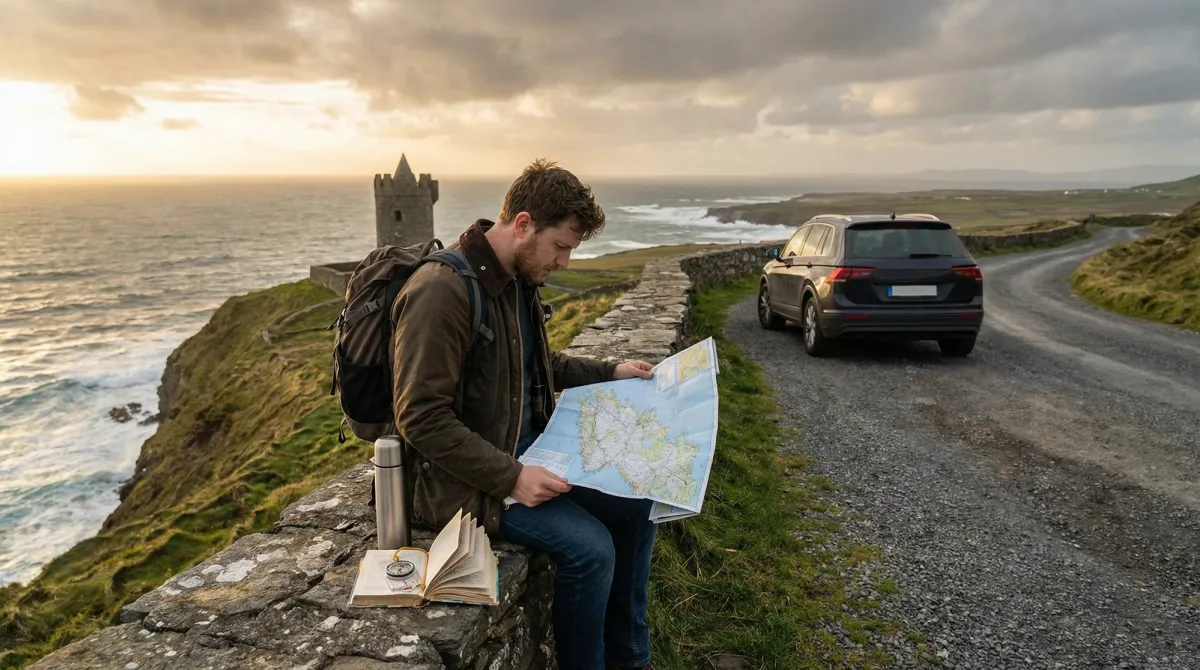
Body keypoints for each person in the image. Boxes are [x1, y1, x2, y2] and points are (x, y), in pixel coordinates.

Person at [390, 158, 658, 670]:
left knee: (639, 505)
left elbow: (538, 365)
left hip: (532, 456)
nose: (565, 263)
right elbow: (419, 416)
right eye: (561, 246)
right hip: (465, 483)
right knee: (592, 550)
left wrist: (610, 370)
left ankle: (631, 660)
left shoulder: (516, 279)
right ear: (523, 224)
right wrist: (511, 477)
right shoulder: (442, 290)